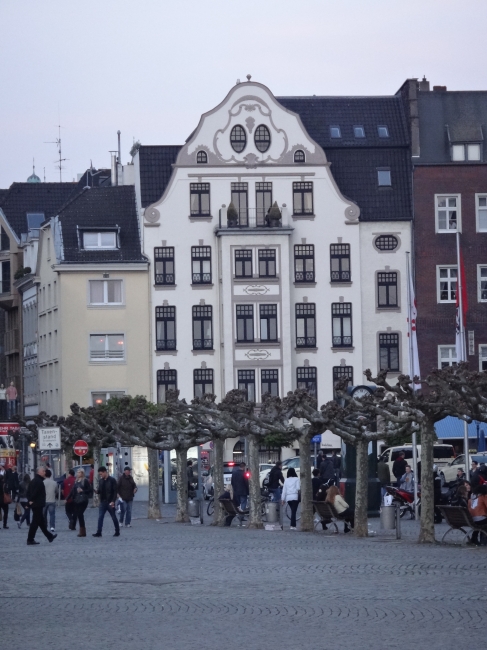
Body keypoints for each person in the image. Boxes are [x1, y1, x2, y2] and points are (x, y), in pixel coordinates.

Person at [26, 467, 57, 545]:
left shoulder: (33, 481)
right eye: (43, 471)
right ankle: (30, 539)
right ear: (39, 472)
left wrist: (30, 500)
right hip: (37, 504)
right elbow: (35, 493)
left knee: (41, 522)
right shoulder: (38, 481)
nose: (44, 472)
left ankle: (49, 536)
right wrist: (30, 501)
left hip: (36, 504)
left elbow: (28, 492)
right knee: (35, 522)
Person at [92, 466, 120, 537]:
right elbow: (100, 490)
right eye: (100, 474)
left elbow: (115, 491)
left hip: (110, 501)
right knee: (100, 517)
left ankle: (117, 531)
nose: (100, 475)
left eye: (101, 474)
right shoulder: (101, 481)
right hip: (103, 502)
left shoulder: (112, 480)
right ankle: (99, 532)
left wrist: (113, 501)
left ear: (105, 472)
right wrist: (97, 491)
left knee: (113, 517)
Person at [69, 469, 91, 537]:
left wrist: (83, 490)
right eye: (77, 472)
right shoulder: (76, 481)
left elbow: (89, 490)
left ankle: (83, 531)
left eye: (79, 472)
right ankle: (82, 530)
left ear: (82, 473)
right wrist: (68, 498)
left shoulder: (85, 480)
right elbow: (72, 490)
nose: (78, 474)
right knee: (79, 515)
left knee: (80, 514)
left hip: (83, 500)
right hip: (77, 499)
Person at [467, 482, 487, 546]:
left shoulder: (471, 499)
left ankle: (474, 538)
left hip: (473, 519)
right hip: (481, 519)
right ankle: (483, 539)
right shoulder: (483, 496)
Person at [43, 469, 58, 533]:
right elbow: (56, 491)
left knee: (44, 515)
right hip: (52, 500)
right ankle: (52, 527)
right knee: (52, 514)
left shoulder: (43, 482)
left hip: (44, 500)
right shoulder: (54, 483)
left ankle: (44, 526)